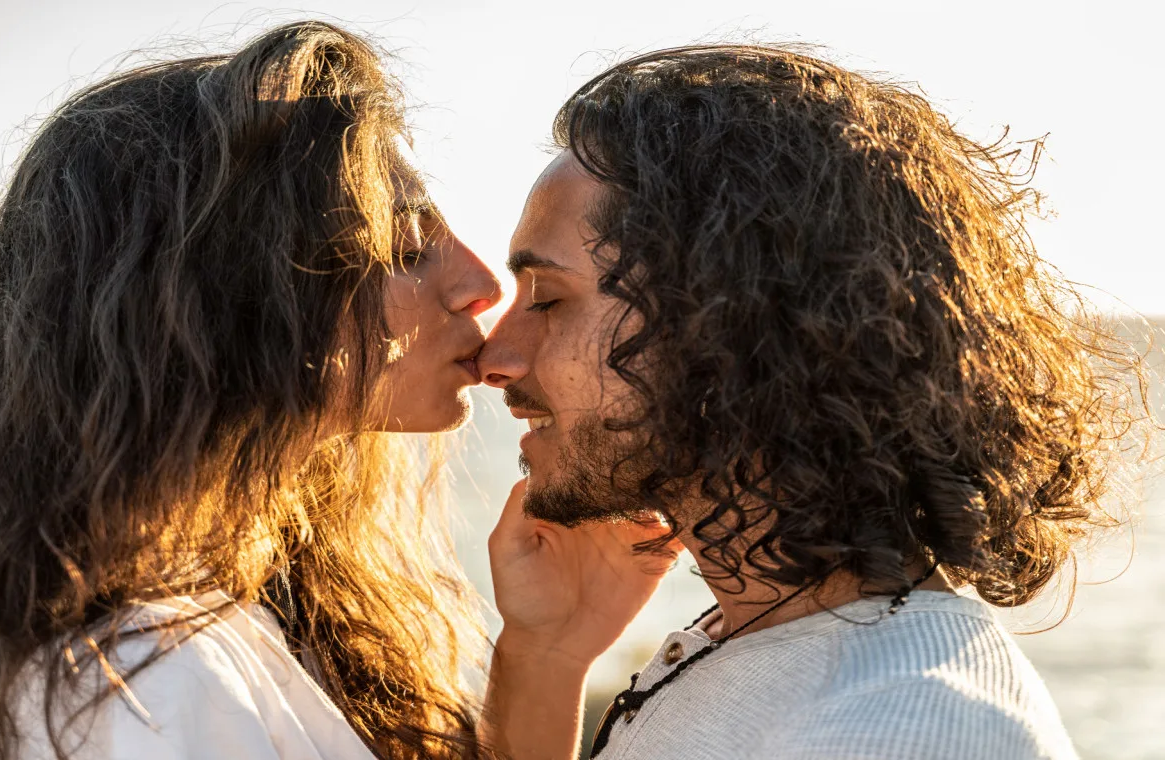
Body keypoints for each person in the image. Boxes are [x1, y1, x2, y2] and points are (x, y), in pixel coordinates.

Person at [0, 22, 672, 760]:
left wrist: (544, 657)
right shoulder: (138, 694)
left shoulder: (230, 612)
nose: (481, 283)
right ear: (234, 295)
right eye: (406, 246)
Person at [477, 44, 1152, 760]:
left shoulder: (908, 725)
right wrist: (544, 656)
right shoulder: (755, 643)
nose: (496, 357)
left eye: (547, 298)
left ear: (732, 321)